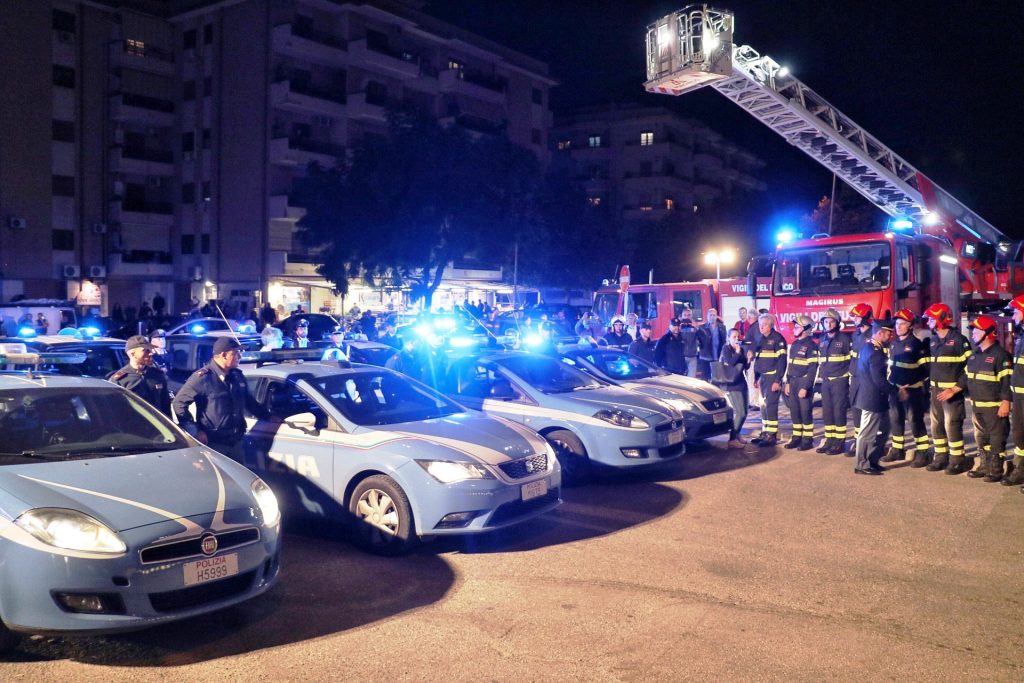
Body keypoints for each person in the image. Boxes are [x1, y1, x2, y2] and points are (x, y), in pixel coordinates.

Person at [171, 336, 251, 458]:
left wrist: (269, 417)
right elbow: (179, 403)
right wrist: (195, 430)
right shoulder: (202, 377)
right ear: (224, 355)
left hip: (236, 442)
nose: (240, 357)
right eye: (236, 353)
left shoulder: (236, 376)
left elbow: (249, 401)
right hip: (214, 443)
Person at [923, 303, 972, 474]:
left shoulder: (959, 340)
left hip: (951, 393)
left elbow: (970, 369)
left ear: (941, 319)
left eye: (931, 318)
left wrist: (956, 389)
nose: (928, 321)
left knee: (952, 426)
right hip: (936, 392)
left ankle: (958, 460)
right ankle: (940, 457)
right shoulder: (934, 340)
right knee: (936, 426)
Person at [964, 315, 1012, 482]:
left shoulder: (1001, 356)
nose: (974, 334)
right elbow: (966, 377)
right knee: (982, 438)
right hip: (977, 405)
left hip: (994, 406)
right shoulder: (974, 355)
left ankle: (996, 469)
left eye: (977, 330)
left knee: (997, 437)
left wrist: (1006, 402)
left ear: (989, 333)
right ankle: (984, 465)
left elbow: (1007, 382)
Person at [884, 309, 930, 465]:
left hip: (913, 390)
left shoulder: (917, 345)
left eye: (902, 324)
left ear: (910, 326)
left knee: (915, 420)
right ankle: (897, 449)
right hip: (896, 389)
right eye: (897, 324)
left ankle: (923, 452)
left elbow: (925, 370)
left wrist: (911, 385)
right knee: (895, 419)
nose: (898, 327)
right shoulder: (893, 344)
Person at [852, 319, 896, 475]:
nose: (890, 336)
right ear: (880, 333)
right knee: (867, 433)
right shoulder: (875, 352)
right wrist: (896, 391)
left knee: (883, 430)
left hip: (877, 399)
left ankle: (872, 461)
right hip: (872, 400)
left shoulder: (869, 348)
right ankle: (862, 465)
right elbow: (879, 380)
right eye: (888, 333)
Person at [816, 308, 853, 455]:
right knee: (828, 412)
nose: (829, 324)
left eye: (831, 322)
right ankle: (829, 440)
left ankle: (839, 442)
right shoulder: (823, 340)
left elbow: (851, 360)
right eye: (826, 322)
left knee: (839, 412)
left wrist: (847, 378)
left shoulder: (844, 340)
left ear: (837, 323)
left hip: (839, 381)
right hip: (826, 382)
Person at [108, 335, 173, 417]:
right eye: (145, 350)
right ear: (132, 354)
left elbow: (165, 405)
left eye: (150, 349)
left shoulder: (157, 375)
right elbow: (113, 411)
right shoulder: (119, 380)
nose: (151, 353)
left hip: (157, 426)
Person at [750, 313, 787, 446]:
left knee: (771, 406)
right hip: (763, 378)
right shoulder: (760, 339)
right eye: (760, 324)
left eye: (764, 324)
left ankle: (772, 435)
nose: (761, 327)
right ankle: (765, 432)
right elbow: (758, 360)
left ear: (771, 325)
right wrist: (756, 377)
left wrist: (777, 380)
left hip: (772, 378)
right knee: (763, 406)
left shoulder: (778, 339)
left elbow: (782, 361)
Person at [784, 314, 818, 450]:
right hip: (793, 382)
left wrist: (806, 386)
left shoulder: (811, 346)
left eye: (797, 327)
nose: (794, 329)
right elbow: (790, 365)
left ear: (806, 329)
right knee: (795, 411)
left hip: (804, 382)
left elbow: (812, 369)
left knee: (805, 412)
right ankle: (796, 437)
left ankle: (807, 439)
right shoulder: (794, 344)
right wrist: (787, 382)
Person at [848, 303, 874, 451]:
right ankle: (858, 441)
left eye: (857, 316)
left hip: (868, 379)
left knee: (868, 411)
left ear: (865, 317)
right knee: (856, 409)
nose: (855, 319)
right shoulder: (856, 334)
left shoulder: (873, 333)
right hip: (856, 378)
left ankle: (869, 442)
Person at [718, 328, 750, 448]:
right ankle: (732, 439)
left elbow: (745, 366)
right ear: (728, 338)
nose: (737, 339)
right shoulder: (726, 349)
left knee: (746, 412)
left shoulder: (740, 349)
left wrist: (749, 359)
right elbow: (730, 364)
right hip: (732, 385)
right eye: (734, 337)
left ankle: (737, 434)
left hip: (741, 382)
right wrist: (737, 352)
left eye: (738, 337)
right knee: (740, 413)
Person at [1005, 295, 1024, 488]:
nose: (1014, 316)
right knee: (1019, 433)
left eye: (1017, 311)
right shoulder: (1021, 338)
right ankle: (1020, 468)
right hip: (1019, 395)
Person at [697, 308, 728, 380]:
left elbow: (724, 341)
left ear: (716, 316)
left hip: (718, 356)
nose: (712, 317)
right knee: (705, 378)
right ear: (707, 316)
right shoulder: (702, 328)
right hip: (705, 357)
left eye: (714, 315)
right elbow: (698, 341)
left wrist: (723, 354)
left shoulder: (722, 327)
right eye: (710, 315)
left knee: (717, 378)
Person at [677, 308, 700, 377]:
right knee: (681, 379)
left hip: (692, 357)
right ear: (682, 316)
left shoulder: (695, 327)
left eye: (689, 315)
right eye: (685, 315)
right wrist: (678, 328)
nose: (687, 317)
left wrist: (697, 328)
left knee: (691, 380)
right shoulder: (677, 326)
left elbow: (703, 337)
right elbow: (670, 336)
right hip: (681, 357)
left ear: (691, 316)